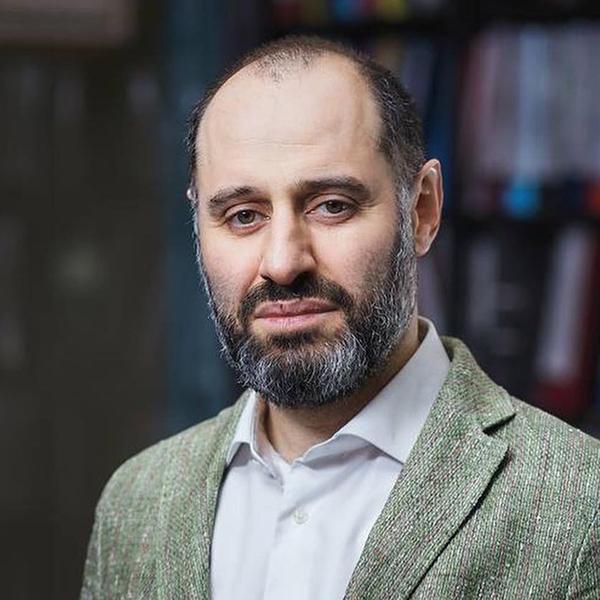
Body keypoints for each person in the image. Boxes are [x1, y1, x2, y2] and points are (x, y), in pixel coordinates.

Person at [80, 36, 600, 599]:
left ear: (422, 210)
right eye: (243, 215)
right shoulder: (135, 504)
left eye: (332, 206)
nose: (283, 263)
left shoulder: (579, 506)